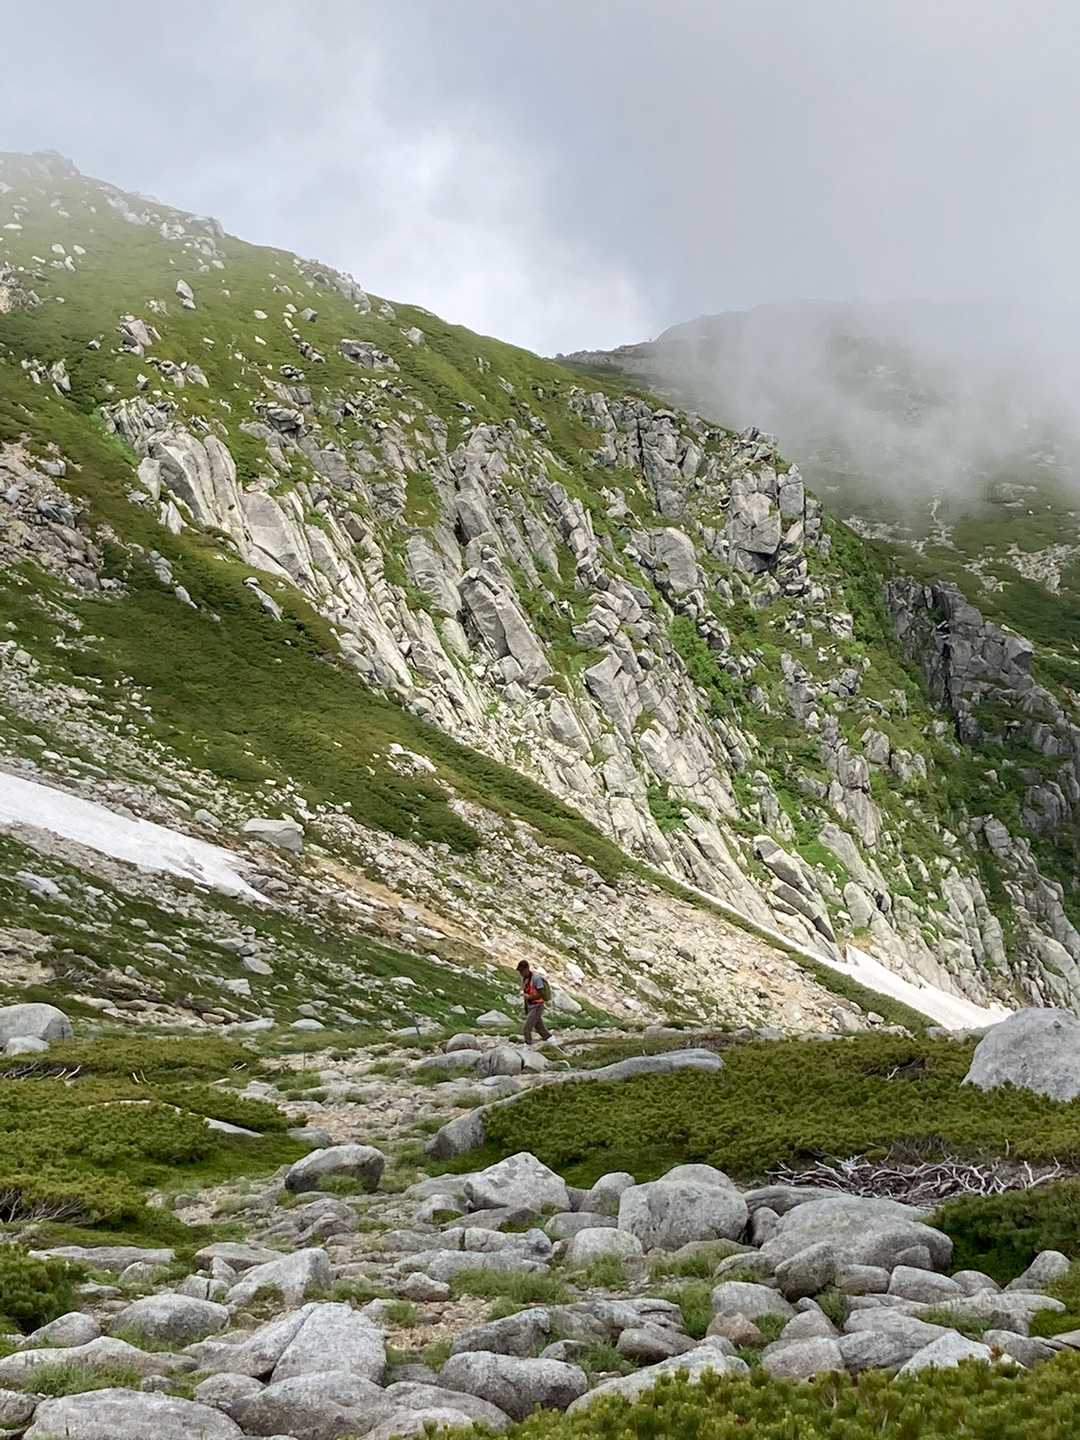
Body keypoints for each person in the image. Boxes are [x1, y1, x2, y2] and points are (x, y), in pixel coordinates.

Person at [517, 959, 552, 1045]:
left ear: (527, 969)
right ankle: (550, 1039)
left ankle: (528, 1044)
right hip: (530, 1006)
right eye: (520, 971)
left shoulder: (536, 979)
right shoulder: (525, 980)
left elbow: (541, 993)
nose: (521, 973)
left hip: (537, 1005)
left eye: (522, 971)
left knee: (527, 1028)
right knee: (539, 1027)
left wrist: (529, 997)